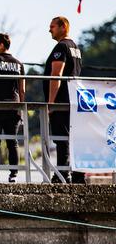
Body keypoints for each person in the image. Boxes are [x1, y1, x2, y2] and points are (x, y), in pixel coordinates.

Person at [43, 16, 85, 184]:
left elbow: (56, 75)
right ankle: (77, 174)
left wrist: (51, 102)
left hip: (62, 100)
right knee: (73, 138)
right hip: (74, 99)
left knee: (62, 138)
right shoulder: (76, 48)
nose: (49, 30)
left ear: (63, 27)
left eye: (52, 26)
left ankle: (61, 174)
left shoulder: (61, 46)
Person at [0, 33, 26, 183]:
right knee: (12, 141)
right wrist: (22, 109)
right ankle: (13, 174)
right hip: (14, 107)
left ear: (2, 45)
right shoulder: (19, 64)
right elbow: (22, 90)